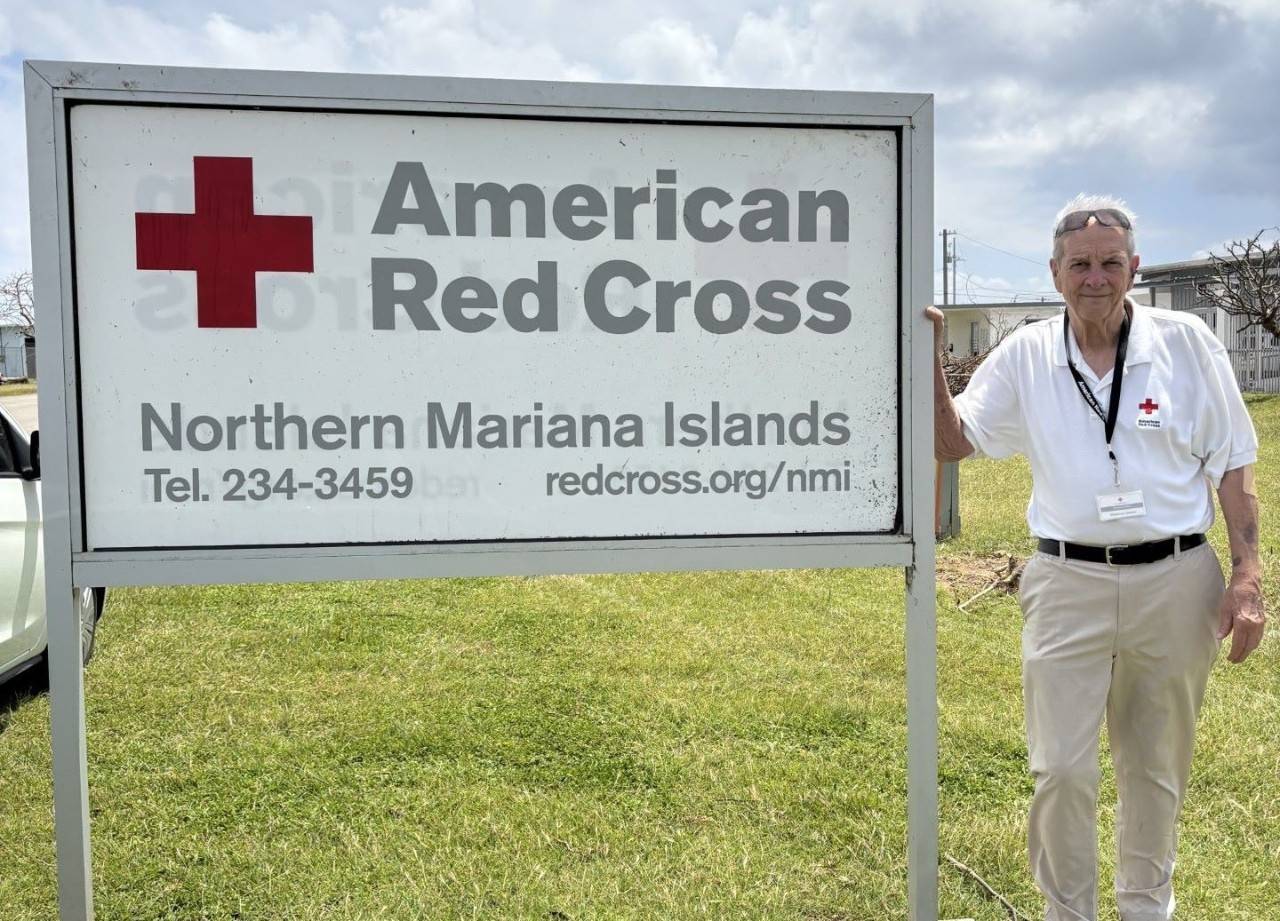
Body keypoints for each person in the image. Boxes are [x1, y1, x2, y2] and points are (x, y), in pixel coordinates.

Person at [927, 194, 1266, 921]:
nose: (1095, 277)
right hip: (1066, 579)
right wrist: (926, 360)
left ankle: (1146, 909)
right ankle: (1068, 913)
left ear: (1134, 268)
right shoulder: (1025, 353)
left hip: (1175, 579)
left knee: (1154, 767)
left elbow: (1234, 462)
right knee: (1060, 769)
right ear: (1054, 273)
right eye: (1079, 263)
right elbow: (955, 440)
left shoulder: (1185, 345)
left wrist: (1247, 573)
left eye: (1111, 262)